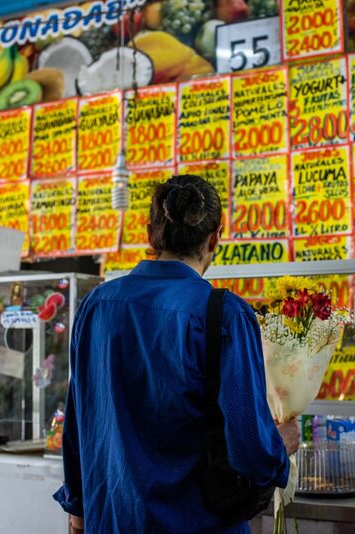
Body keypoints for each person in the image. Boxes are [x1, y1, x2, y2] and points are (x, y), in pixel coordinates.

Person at [54, 174, 299, 533]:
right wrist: (281, 447)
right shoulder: (226, 315)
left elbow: (78, 422)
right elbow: (251, 453)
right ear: (215, 236)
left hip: (111, 522)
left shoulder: (96, 306)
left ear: (148, 232)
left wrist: (77, 507)